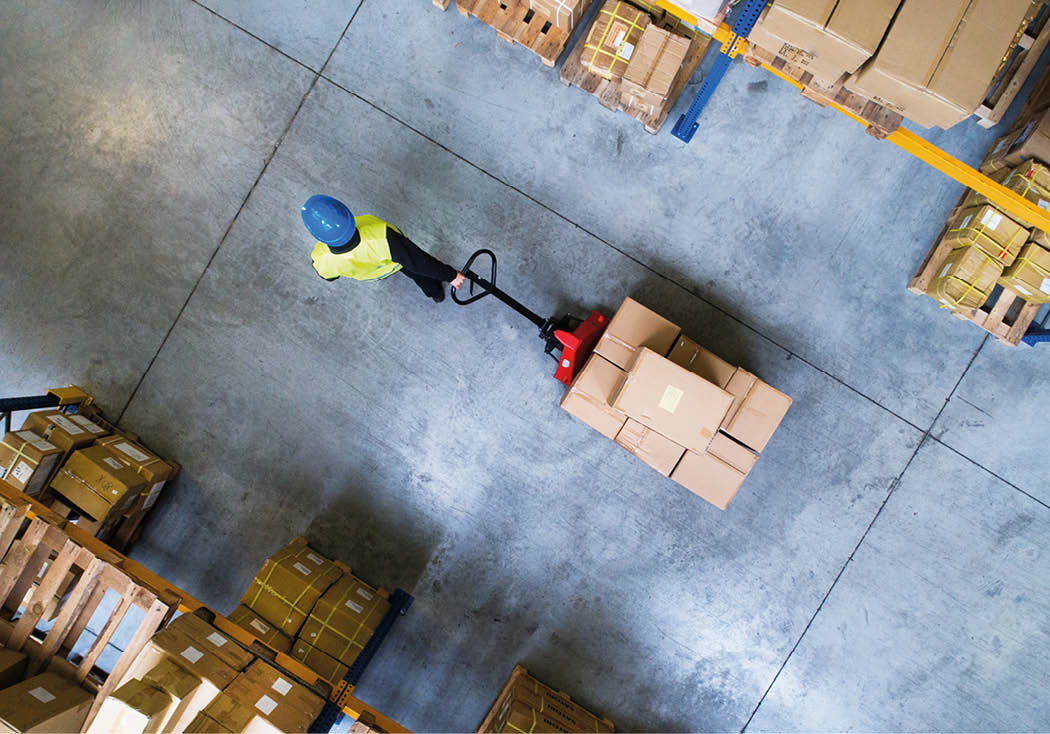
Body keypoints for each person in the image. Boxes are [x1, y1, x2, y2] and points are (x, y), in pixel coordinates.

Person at [302, 194, 466, 302]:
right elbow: (420, 262)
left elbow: (329, 276)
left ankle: (435, 295)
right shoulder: (382, 238)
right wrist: (450, 275)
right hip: (394, 261)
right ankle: (435, 292)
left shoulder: (321, 259)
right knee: (418, 273)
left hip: (374, 273)